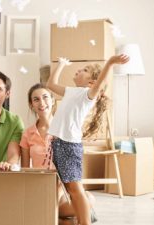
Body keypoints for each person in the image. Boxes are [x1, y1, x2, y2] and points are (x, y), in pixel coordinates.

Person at [47, 55, 129, 225]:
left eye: (84, 70)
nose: (78, 70)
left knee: (75, 189)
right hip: (58, 143)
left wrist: (111, 63)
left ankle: (85, 221)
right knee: (70, 189)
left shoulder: (87, 95)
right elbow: (50, 85)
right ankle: (79, 216)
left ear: (92, 83)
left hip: (69, 145)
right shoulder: (71, 91)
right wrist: (61, 64)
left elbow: (100, 82)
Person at [20, 83, 96, 225]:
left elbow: (73, 167)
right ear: (31, 105)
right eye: (36, 99)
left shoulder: (65, 129)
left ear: (53, 100)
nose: (42, 103)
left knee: (90, 199)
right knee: (69, 220)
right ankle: (62, 220)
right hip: (40, 187)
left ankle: (58, 218)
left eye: (45, 97)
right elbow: (25, 169)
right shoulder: (27, 134)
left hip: (63, 188)